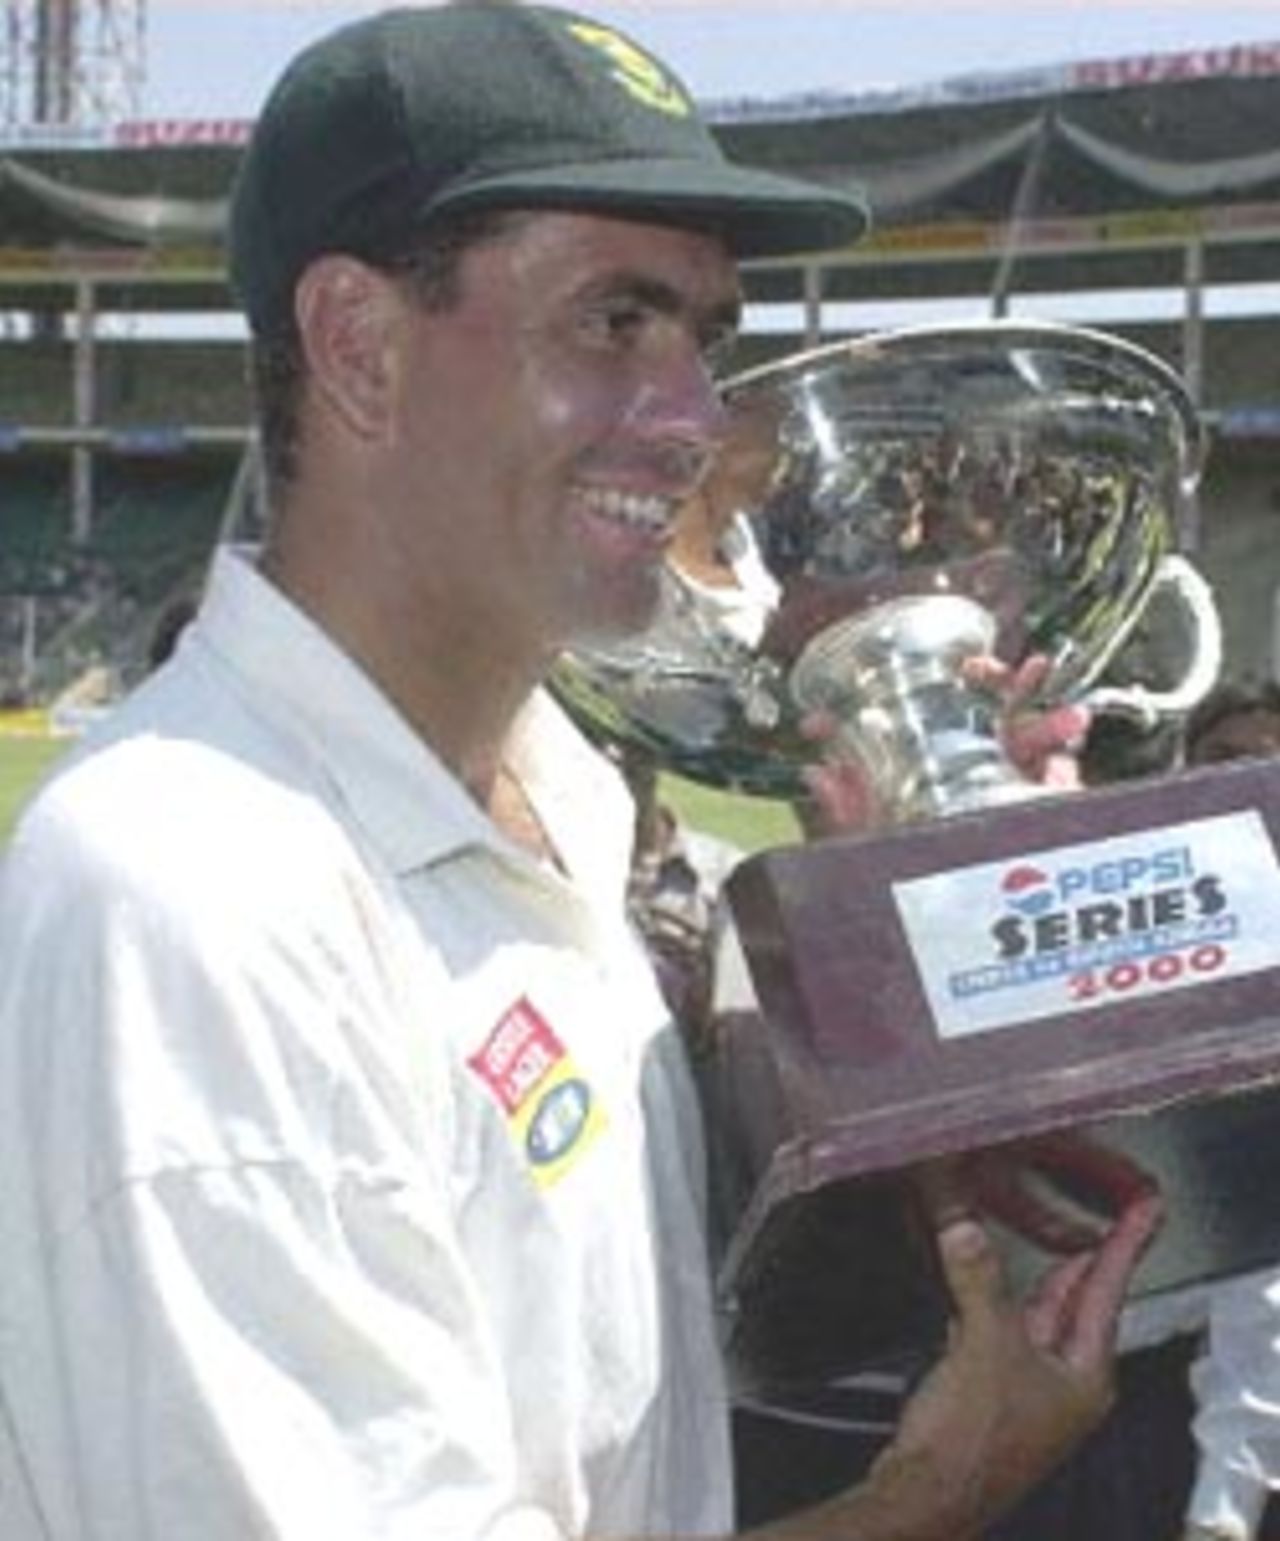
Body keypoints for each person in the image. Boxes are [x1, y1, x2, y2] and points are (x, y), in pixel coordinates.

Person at [0, 5, 1160, 1538]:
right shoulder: (186, 898)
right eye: (614, 322)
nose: (694, 423)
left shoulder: (570, 808)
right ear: (357, 344)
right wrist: (932, 1497)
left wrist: (905, 954)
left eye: (706, 338)